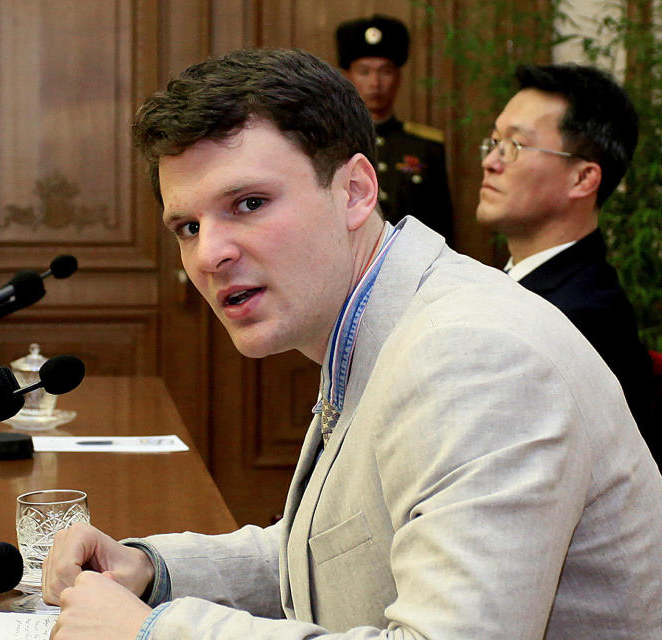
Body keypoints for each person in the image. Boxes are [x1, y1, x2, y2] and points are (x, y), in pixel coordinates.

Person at [39, 48, 662, 639]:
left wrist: (152, 632)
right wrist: (152, 571)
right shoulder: (379, 320)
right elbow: (337, 548)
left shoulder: (472, 355)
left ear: (357, 192)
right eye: (188, 226)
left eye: (249, 203)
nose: (209, 253)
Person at [476, 64, 657, 458]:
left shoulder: (582, 319)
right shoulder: (505, 287)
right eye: (493, 142)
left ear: (583, 179)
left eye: (514, 146)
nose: (490, 161)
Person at [336, 14, 454, 245]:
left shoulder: (425, 146)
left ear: (398, 76)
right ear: (348, 75)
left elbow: (442, 227)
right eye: (364, 71)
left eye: (385, 71)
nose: (375, 82)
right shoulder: (331, 143)